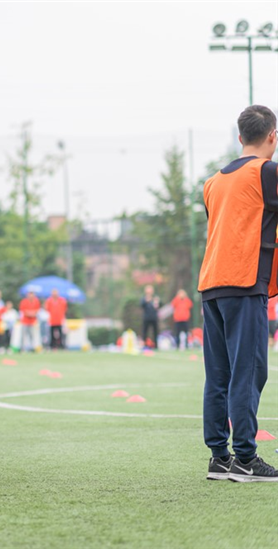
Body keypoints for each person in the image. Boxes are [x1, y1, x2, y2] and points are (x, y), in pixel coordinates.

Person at [199, 105, 278, 482]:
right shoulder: (268, 172)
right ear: (272, 137)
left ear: (239, 137)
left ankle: (219, 457)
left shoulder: (212, 182)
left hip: (211, 284)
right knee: (247, 372)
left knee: (218, 374)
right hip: (244, 283)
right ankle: (246, 458)